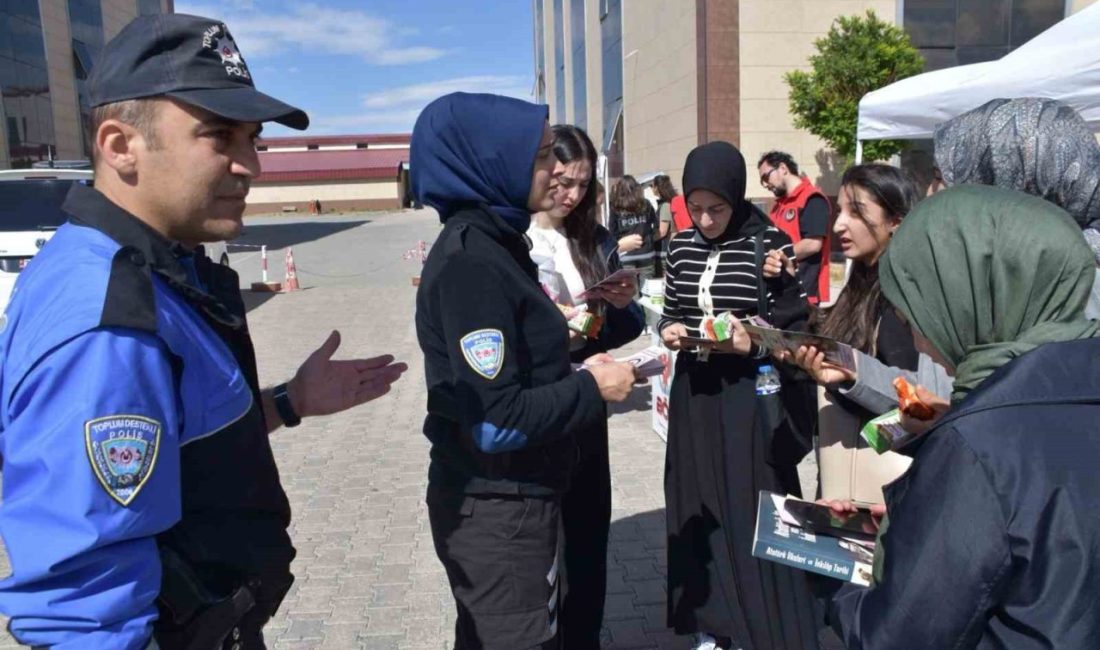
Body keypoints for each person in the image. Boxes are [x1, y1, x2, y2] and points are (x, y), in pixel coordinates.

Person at [0, 14, 408, 648]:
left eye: (253, 140)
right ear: (120, 145)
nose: (251, 166)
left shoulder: (155, 268)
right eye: (219, 136)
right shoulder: (110, 318)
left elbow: (170, 448)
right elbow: (83, 608)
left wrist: (289, 403)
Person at [411, 93, 639, 650]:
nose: (552, 169)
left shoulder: (497, 245)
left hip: (518, 496)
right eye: (540, 156)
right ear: (489, 163)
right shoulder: (472, 261)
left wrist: (573, 361)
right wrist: (590, 386)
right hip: (498, 509)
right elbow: (496, 422)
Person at [831, 184, 1100, 648]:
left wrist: (838, 590)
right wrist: (925, 517)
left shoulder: (978, 443)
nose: (920, 343)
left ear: (975, 297)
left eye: (919, 318)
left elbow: (900, 635)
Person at [658, 141, 817, 650]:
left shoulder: (768, 245)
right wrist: (670, 331)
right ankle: (712, 625)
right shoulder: (680, 247)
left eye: (717, 209)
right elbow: (671, 310)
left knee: (752, 504)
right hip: (695, 393)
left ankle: (765, 625)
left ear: (737, 198)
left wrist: (753, 343)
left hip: (749, 396)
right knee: (698, 502)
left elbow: (794, 330)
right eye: (695, 208)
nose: (705, 220)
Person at [528, 124, 645, 650]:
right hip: (540, 400)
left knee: (587, 533)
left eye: (581, 183)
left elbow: (628, 324)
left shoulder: (595, 239)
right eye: (561, 180)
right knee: (541, 541)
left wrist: (616, 308)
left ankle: (584, 638)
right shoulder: (515, 237)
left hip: (589, 396)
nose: (570, 194)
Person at [758, 151, 831, 305]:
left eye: (766, 177)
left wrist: (775, 257)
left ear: (783, 168)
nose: (765, 184)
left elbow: (813, 244)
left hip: (805, 291)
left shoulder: (812, 199)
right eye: (762, 181)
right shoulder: (779, 206)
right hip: (781, 289)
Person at [610, 174, 660, 286]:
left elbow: (612, 232)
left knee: (630, 293)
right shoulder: (646, 204)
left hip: (625, 255)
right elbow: (655, 225)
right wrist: (649, 239)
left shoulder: (615, 206)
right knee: (648, 291)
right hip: (646, 253)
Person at [652, 174, 678, 274]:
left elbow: (662, 231)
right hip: (663, 252)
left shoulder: (665, 206)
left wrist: (648, 241)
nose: (651, 189)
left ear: (657, 187)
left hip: (663, 253)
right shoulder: (666, 204)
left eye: (652, 186)